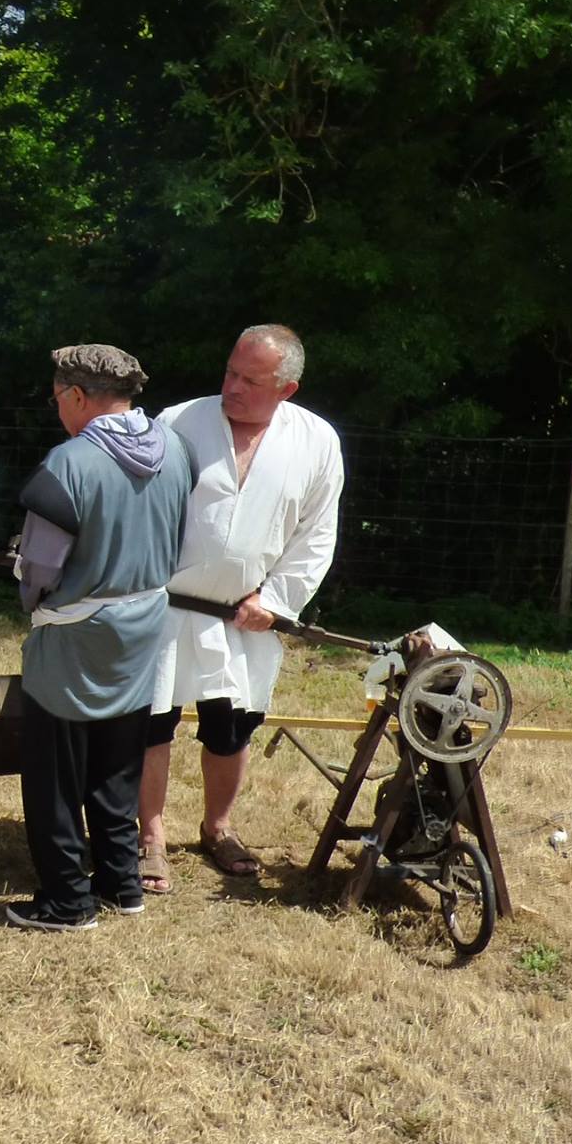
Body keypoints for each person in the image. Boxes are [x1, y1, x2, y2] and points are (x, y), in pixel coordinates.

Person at [138, 324, 344, 892]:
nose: (232, 386)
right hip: (167, 605)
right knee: (151, 726)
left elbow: (316, 533)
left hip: (247, 615)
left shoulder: (316, 442)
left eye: (251, 380)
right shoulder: (177, 422)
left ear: (287, 388)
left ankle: (218, 827)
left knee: (232, 729)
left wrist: (277, 601)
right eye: (230, 371)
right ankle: (150, 837)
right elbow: (140, 508)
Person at [6, 344, 196, 931]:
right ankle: (121, 883)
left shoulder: (70, 462)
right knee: (118, 764)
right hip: (144, 629)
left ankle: (67, 901)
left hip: (73, 638)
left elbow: (39, 570)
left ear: (80, 397)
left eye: (58, 397)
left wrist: (25, 584)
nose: (56, 408)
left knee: (56, 775)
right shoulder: (176, 451)